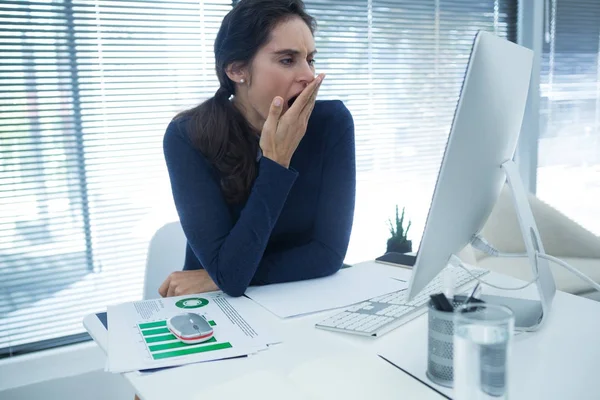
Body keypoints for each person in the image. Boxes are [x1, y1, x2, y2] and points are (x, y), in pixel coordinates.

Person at [158, 0, 356, 299]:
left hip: (297, 297)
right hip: (218, 307)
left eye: (310, 60)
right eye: (288, 60)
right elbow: (230, 277)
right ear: (238, 69)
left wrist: (219, 276)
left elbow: (328, 254)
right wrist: (277, 162)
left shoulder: (332, 124)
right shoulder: (188, 136)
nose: (309, 75)